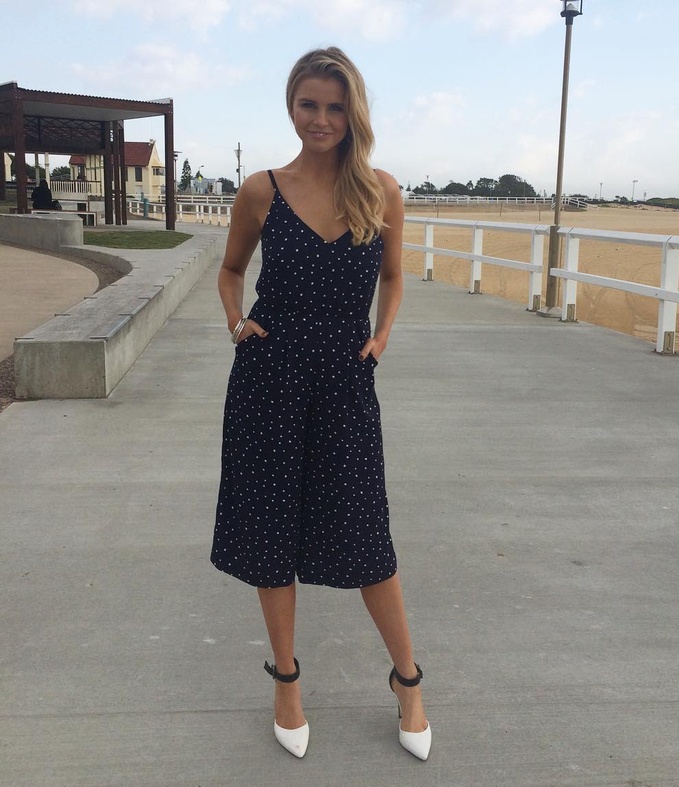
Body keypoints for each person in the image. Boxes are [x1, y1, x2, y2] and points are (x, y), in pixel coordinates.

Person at [210, 47, 431, 761]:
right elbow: (231, 269)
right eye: (309, 104)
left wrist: (383, 335)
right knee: (271, 536)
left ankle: (407, 679)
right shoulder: (261, 191)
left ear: (353, 113)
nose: (322, 119)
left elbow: (392, 277)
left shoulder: (382, 192)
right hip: (268, 381)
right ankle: (286, 680)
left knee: (368, 541)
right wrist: (236, 321)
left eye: (336, 107)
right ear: (291, 106)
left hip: (344, 381)